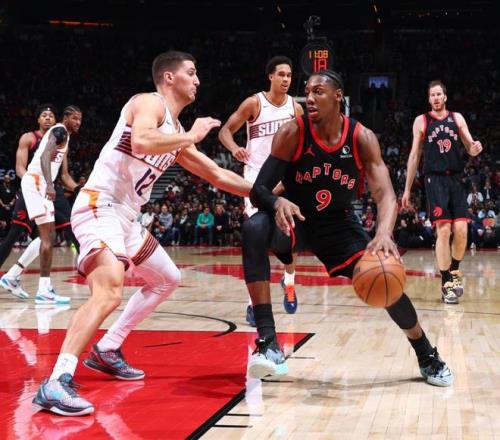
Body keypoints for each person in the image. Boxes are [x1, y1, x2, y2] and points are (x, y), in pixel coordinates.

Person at [32, 51, 252, 416]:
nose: (198, 80)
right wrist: (191, 136)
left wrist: (268, 194)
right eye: (191, 72)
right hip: (100, 205)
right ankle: (57, 381)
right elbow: (141, 141)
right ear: (169, 77)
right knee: (108, 291)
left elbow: (217, 175)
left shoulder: (177, 135)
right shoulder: (148, 103)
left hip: (127, 218)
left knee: (167, 278)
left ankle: (108, 348)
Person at [242, 70, 453, 388]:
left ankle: (426, 353)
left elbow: (386, 195)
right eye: (307, 92)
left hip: (338, 224)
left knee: (384, 276)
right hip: (296, 218)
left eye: (318, 91)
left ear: (338, 96)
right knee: (254, 227)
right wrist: (276, 202)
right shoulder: (293, 132)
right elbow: (259, 190)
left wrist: (383, 233)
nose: (309, 98)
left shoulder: (361, 137)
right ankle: (269, 343)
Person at [219, 55, 304, 324]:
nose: (286, 79)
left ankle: (289, 279)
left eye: (289, 75)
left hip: (284, 180)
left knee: (288, 238)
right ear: (270, 77)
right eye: (281, 74)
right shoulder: (254, 103)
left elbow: (304, 147)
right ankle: (253, 304)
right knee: (256, 238)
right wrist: (235, 148)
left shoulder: (295, 108)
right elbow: (225, 131)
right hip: (256, 179)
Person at [402, 80, 482, 304]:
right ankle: (446, 281)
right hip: (434, 179)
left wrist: (475, 148)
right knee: (444, 230)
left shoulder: (457, 118)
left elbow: (470, 146)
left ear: (445, 97)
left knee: (462, 230)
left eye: (439, 94)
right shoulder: (421, 121)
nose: (436, 98)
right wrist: (407, 188)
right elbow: (414, 155)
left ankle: (454, 270)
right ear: (429, 99)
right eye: (432, 95)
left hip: (456, 179)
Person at [0, 105, 81, 301]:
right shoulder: (60, 131)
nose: (78, 123)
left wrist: (79, 188)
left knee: (49, 236)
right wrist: (50, 185)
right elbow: (44, 156)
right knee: (45, 237)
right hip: (38, 182)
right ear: (66, 117)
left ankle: (12, 276)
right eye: (75, 118)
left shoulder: (63, 135)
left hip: (40, 183)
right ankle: (44, 290)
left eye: (80, 119)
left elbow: (63, 173)